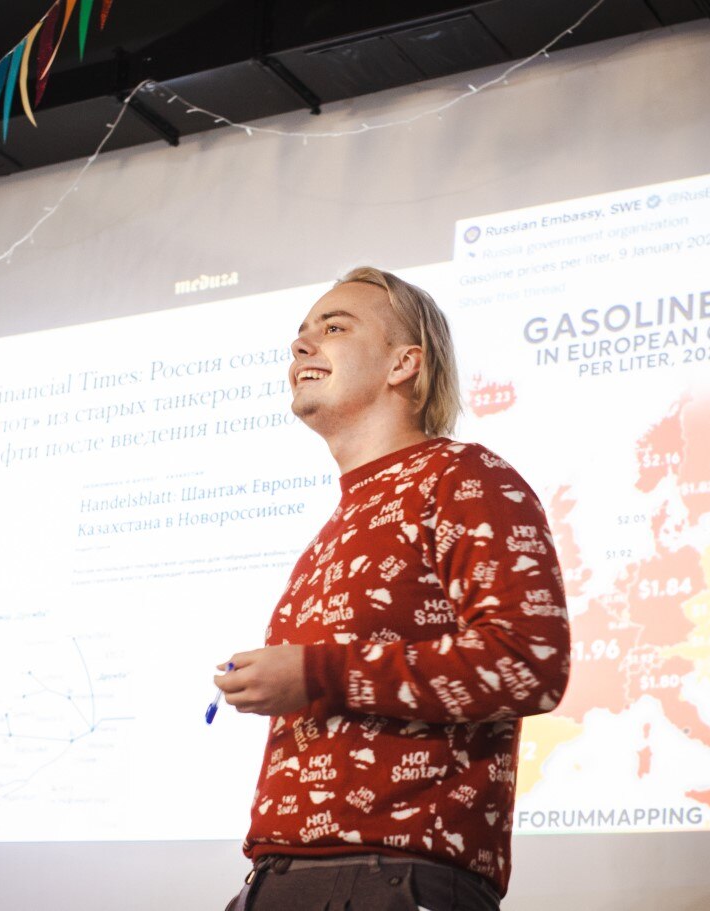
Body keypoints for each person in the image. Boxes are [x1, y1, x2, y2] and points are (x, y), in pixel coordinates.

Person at [216, 267, 571, 910]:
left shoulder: (464, 476)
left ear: (404, 364)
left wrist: (319, 673)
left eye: (334, 328)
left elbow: (529, 663)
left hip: (393, 878)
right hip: (281, 878)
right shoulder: (333, 526)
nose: (301, 346)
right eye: (300, 333)